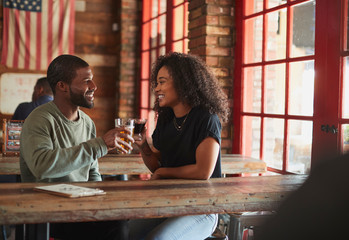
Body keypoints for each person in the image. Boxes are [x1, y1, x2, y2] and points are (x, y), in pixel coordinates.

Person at [20, 54, 133, 240]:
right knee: (117, 226)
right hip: (47, 211)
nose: (94, 86)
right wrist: (100, 144)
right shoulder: (39, 119)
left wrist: (102, 204)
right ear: (62, 86)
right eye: (87, 81)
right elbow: (42, 167)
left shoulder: (87, 123)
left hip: (80, 208)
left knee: (121, 218)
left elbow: (93, 173)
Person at [129, 52, 230, 240]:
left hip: (202, 208)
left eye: (162, 82)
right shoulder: (166, 118)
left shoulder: (206, 118)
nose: (156, 89)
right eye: (156, 83)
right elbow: (156, 166)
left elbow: (202, 171)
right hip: (169, 202)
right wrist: (143, 146)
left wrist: (163, 173)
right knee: (125, 233)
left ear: (183, 83)